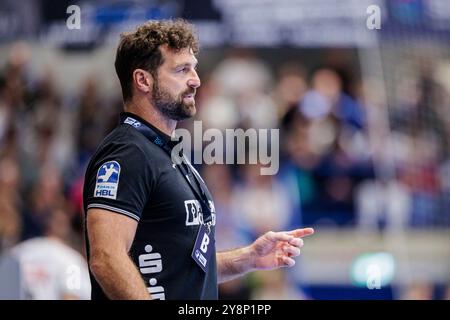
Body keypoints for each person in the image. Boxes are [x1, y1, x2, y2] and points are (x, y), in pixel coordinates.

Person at [83, 19, 314, 300]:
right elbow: (106, 258)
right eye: (181, 70)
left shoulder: (170, 154)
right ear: (143, 80)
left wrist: (248, 258)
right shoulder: (128, 153)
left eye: (193, 67)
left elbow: (186, 265)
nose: (196, 79)